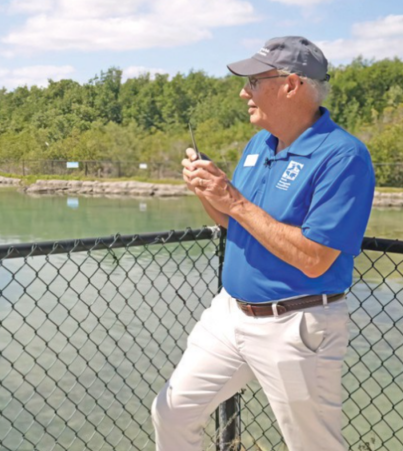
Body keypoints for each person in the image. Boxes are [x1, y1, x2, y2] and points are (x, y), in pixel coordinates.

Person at [151, 36, 375, 451]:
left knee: (313, 445)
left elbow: (314, 258)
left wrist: (233, 198)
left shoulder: (343, 157)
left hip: (295, 325)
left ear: (291, 85)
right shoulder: (259, 145)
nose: (243, 91)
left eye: (254, 81)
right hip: (229, 314)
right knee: (172, 411)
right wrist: (208, 191)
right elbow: (232, 221)